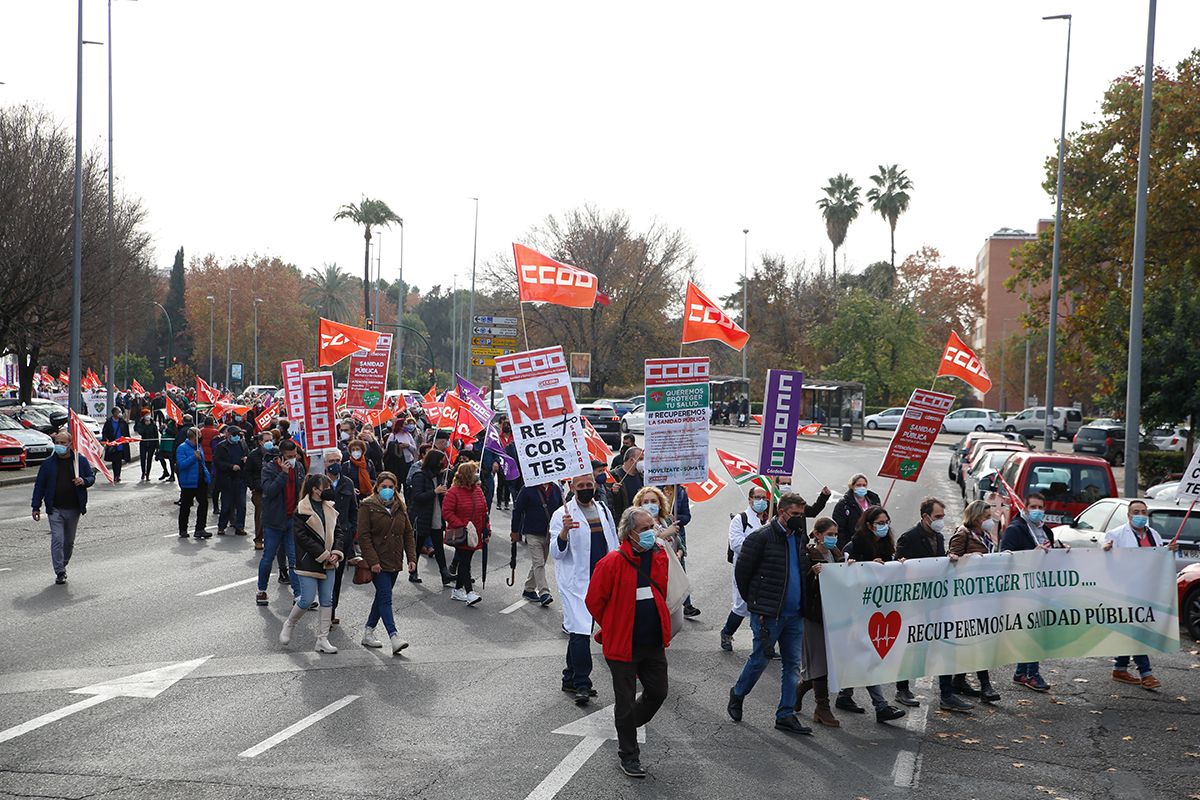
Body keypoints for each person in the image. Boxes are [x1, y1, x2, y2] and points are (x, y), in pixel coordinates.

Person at [586, 507, 672, 779]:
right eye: (645, 529)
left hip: (653, 643)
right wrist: (615, 625)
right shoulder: (611, 562)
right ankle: (629, 755)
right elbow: (593, 602)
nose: (651, 532)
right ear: (629, 533)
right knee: (624, 701)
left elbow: (662, 591)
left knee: (658, 692)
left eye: (652, 526)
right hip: (623, 646)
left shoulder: (659, 556)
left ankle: (627, 725)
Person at [727, 492, 814, 735]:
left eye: (801, 515)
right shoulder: (761, 537)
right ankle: (738, 693)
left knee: (792, 665)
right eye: (795, 515)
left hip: (794, 614)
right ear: (782, 512)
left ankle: (785, 714)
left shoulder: (798, 536)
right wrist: (757, 605)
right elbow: (742, 574)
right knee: (760, 660)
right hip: (769, 614)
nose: (799, 519)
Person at [551, 472, 619, 706]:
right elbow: (556, 553)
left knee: (581, 629)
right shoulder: (562, 514)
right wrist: (564, 532)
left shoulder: (603, 509)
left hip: (602, 580)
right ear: (572, 487)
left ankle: (569, 677)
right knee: (580, 631)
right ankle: (582, 683)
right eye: (581, 485)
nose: (586, 488)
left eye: (589, 484)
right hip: (576, 583)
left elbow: (613, 543)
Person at [836, 506, 907, 723]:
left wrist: (896, 565)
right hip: (856, 609)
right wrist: (864, 565)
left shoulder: (886, 543)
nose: (884, 526)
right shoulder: (854, 544)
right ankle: (881, 706)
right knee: (867, 655)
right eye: (879, 523)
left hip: (876, 609)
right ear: (869, 525)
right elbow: (844, 573)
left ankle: (844, 695)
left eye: (886, 521)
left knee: (861, 654)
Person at [1103, 499, 1178, 690]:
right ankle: (1146, 673)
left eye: (1143, 512)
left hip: (1147, 590)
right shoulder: (1117, 534)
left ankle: (1120, 668)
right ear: (1128, 516)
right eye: (1136, 512)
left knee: (1132, 630)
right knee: (1138, 631)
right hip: (1126, 590)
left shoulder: (1154, 535)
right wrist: (1105, 551)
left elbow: (1158, 561)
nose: (1140, 515)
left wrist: (1168, 552)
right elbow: (1104, 561)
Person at [1001, 492, 1069, 692]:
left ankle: (1021, 672)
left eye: (1041, 507)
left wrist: (1061, 550)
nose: (1038, 511)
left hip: (1042, 588)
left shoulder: (1046, 531)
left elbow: (1050, 554)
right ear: (1025, 509)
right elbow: (1006, 556)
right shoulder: (1015, 530)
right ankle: (1032, 674)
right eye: (1034, 507)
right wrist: (1032, 555)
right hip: (1024, 589)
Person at [279, 474, 349, 652]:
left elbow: (339, 532)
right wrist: (324, 554)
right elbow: (302, 538)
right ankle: (289, 623)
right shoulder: (301, 510)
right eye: (324, 487)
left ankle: (322, 640)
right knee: (307, 599)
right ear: (314, 489)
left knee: (327, 600)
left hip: (330, 562)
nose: (328, 490)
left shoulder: (330, 508)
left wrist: (336, 553)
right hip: (309, 562)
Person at [894, 497, 951, 708]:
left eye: (942, 517)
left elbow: (939, 562)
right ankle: (902, 689)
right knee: (912, 646)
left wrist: (949, 560)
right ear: (925, 516)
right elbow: (897, 567)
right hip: (914, 604)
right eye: (937, 517)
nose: (940, 521)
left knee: (943, 644)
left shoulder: (939, 537)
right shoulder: (909, 537)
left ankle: (947, 693)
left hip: (936, 601)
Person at [947, 499, 1002, 704]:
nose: (989, 521)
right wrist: (970, 559)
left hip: (982, 596)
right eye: (986, 517)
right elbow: (952, 559)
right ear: (976, 517)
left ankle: (959, 680)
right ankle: (985, 686)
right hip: (966, 598)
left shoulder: (984, 534)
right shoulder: (962, 533)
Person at [357, 471, 418, 654]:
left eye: (391, 487)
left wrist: (412, 558)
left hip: (394, 559)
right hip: (377, 560)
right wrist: (373, 560)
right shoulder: (367, 506)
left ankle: (368, 632)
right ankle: (394, 636)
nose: (388, 490)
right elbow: (364, 536)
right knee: (385, 597)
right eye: (384, 487)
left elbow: (408, 533)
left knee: (382, 597)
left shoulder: (400, 506)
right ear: (377, 487)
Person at [794, 517, 844, 727]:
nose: (833, 538)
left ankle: (799, 691)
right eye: (829, 534)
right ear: (817, 535)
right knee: (819, 661)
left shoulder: (836, 553)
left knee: (826, 662)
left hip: (833, 614)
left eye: (835, 534)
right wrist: (812, 575)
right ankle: (822, 708)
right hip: (814, 615)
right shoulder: (808, 554)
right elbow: (802, 587)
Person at [31, 431, 95, 585]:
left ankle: (63, 563)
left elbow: (91, 477)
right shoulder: (48, 464)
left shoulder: (79, 461)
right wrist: (36, 506)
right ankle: (59, 571)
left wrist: (84, 480)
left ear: (70, 444)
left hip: (73, 508)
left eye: (63, 443)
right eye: (57, 442)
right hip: (55, 509)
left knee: (68, 542)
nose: (59, 446)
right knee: (57, 540)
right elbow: (40, 485)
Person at [721, 484, 771, 652]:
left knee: (762, 605)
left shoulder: (770, 520)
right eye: (757, 497)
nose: (761, 501)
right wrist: (760, 543)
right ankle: (727, 632)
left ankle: (763, 644)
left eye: (764, 498)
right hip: (745, 568)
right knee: (742, 605)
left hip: (765, 569)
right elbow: (736, 544)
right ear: (750, 499)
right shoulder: (740, 520)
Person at [256, 439, 305, 607]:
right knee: (268, 557)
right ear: (281, 456)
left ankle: (298, 595)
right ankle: (261, 590)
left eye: (295, 455)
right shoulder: (269, 469)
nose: (293, 459)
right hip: (274, 521)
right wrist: (283, 474)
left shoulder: (298, 467)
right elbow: (269, 491)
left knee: (294, 559)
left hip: (292, 519)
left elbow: (302, 489)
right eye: (289, 456)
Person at [442, 460, 489, 605]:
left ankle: (457, 590)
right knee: (464, 562)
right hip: (462, 533)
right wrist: (462, 526)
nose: (477, 475)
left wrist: (487, 529)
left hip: (475, 533)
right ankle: (469, 592)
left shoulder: (478, 490)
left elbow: (484, 512)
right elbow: (447, 512)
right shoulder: (453, 492)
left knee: (466, 560)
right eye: (474, 472)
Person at [512, 478, 563, 606]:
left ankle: (529, 589)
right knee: (538, 562)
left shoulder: (556, 489)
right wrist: (515, 531)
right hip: (532, 532)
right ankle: (544, 592)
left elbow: (559, 511)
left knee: (540, 562)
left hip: (548, 533)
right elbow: (517, 510)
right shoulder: (528, 489)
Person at [408, 448, 454, 586]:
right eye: (441, 462)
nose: (443, 464)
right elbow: (417, 497)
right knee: (418, 545)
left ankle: (445, 573)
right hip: (422, 517)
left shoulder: (440, 477)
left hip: (436, 517)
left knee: (439, 546)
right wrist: (435, 491)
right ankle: (413, 571)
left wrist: (443, 494)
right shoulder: (419, 476)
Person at [323, 448, 358, 618]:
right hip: (322, 537)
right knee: (322, 577)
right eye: (331, 461)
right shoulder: (318, 483)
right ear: (324, 464)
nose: (335, 464)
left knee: (337, 576)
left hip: (342, 537)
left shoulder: (348, 483)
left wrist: (352, 529)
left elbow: (354, 509)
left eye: (337, 461)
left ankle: (331, 612)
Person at [175, 428, 211, 539]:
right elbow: (181, 465)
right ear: (194, 436)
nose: (201, 436)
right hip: (188, 483)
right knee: (186, 506)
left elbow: (202, 463)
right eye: (199, 434)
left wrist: (207, 476)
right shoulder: (182, 448)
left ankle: (200, 528)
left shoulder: (199, 447)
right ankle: (183, 529)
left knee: (204, 504)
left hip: (200, 481)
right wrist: (193, 457)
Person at [214, 424, 249, 536]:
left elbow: (247, 455)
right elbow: (218, 462)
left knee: (241, 505)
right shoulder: (221, 446)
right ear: (228, 435)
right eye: (234, 434)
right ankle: (221, 526)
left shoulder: (242, 444)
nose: (237, 437)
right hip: (227, 479)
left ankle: (240, 527)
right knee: (226, 506)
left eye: (239, 435)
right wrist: (230, 466)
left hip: (240, 479)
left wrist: (246, 460)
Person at [831, 473, 881, 548]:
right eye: (858, 485)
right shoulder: (843, 505)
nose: (862, 487)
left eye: (864, 485)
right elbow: (840, 529)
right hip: (853, 544)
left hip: (872, 542)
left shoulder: (874, 499)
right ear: (852, 486)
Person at [247, 431, 275, 551]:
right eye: (266, 440)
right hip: (259, 490)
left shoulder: (275, 453)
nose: (269, 443)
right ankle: (258, 539)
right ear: (260, 442)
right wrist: (253, 486)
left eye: (271, 440)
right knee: (261, 514)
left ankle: (272, 539)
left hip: (274, 488)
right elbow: (247, 473)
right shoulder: (254, 455)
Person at [610, 447, 644, 521]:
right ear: (632, 460)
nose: (643, 462)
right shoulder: (614, 476)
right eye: (641, 459)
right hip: (623, 521)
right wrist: (613, 492)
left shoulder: (642, 476)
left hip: (639, 520)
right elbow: (608, 501)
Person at [383, 418, 419, 486]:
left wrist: (408, 446)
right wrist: (398, 447)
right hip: (397, 464)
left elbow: (414, 449)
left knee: (407, 484)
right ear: (399, 426)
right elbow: (388, 448)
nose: (406, 426)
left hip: (408, 462)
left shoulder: (408, 435)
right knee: (397, 483)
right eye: (405, 424)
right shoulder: (393, 435)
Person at [102, 408, 130, 483]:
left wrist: (127, 440)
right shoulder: (109, 422)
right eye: (118, 412)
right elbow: (105, 432)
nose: (120, 413)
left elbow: (126, 432)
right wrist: (105, 440)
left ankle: (118, 475)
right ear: (114, 413)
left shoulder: (122, 422)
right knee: (114, 461)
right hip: (113, 444)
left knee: (119, 460)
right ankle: (115, 475)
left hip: (121, 444)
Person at [133, 409, 158, 482]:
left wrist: (157, 446)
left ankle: (148, 474)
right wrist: (146, 426)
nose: (148, 416)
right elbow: (140, 432)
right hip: (143, 443)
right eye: (147, 415)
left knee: (149, 459)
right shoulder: (141, 423)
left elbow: (156, 434)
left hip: (151, 443)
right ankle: (143, 472)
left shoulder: (153, 423)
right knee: (143, 459)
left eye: (149, 414)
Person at [156, 417, 177, 481]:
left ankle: (172, 475)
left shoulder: (174, 423)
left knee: (171, 460)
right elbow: (162, 432)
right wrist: (161, 429)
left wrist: (167, 428)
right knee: (160, 457)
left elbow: (174, 433)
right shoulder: (166, 421)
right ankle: (165, 471)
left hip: (170, 444)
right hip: (163, 443)